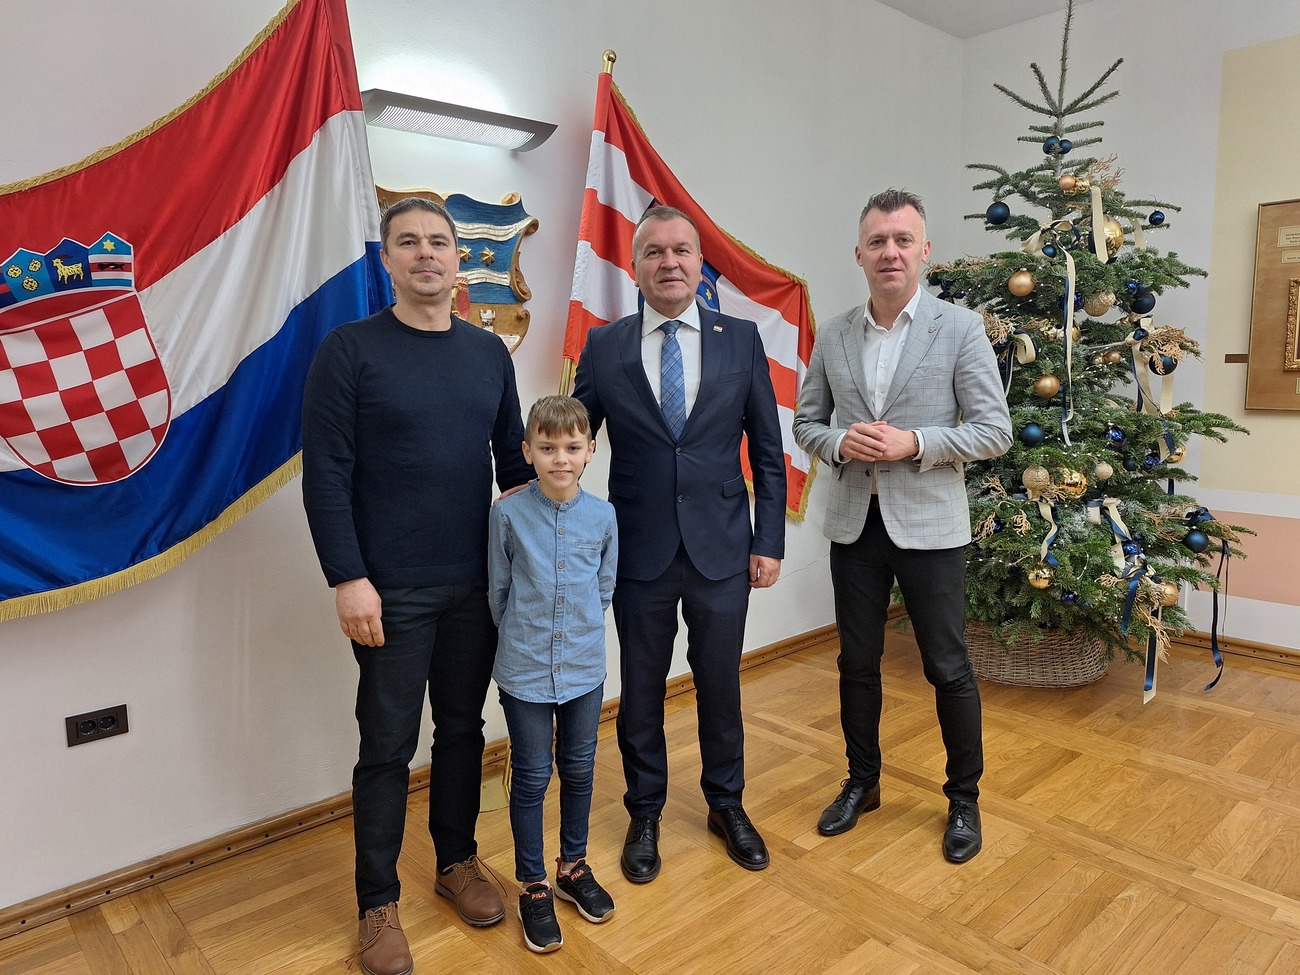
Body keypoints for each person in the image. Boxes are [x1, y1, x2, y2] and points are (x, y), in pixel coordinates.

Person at [302, 197, 533, 975]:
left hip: (474, 584)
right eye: (409, 242)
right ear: (388, 259)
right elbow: (326, 475)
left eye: (439, 241)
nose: (426, 253)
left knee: (463, 729)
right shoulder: (349, 350)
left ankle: (456, 861)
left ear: (458, 259)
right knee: (387, 747)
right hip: (388, 590)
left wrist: (560, 502)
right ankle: (377, 905)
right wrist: (348, 577)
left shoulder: (488, 353)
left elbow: (513, 463)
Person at [792, 189, 1011, 864]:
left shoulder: (960, 328)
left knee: (947, 666)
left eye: (903, 240)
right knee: (856, 663)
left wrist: (915, 442)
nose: (890, 252)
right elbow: (806, 423)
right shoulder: (834, 333)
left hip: (931, 528)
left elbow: (995, 430)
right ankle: (862, 782)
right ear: (859, 254)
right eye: (878, 241)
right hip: (854, 525)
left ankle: (963, 799)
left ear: (924, 251)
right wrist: (838, 443)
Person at [572, 205, 786, 882]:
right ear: (635, 267)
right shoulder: (604, 346)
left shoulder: (740, 340)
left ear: (699, 262)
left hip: (723, 548)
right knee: (640, 690)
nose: (669, 262)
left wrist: (769, 539)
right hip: (638, 551)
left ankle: (727, 804)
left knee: (720, 684)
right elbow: (573, 442)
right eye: (654, 252)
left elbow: (768, 452)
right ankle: (645, 812)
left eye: (681, 250)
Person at [488, 395, 618, 954]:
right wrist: (528, 637)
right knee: (533, 775)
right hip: (524, 670)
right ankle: (534, 884)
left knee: (580, 768)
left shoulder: (604, 516)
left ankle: (572, 867)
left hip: (584, 668)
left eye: (571, 447)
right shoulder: (507, 514)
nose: (559, 458)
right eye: (547, 448)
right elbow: (498, 592)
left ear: (590, 451)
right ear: (527, 452)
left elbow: (604, 588)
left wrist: (575, 636)